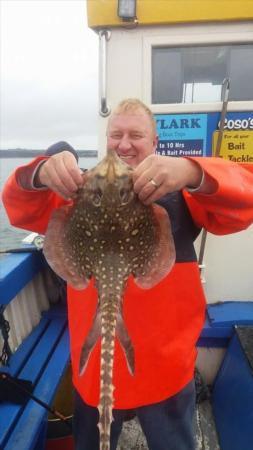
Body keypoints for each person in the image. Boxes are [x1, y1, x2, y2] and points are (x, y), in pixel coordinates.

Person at [2, 98, 253, 450]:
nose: (123, 143)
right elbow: (18, 206)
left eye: (136, 135)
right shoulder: (80, 191)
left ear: (155, 144)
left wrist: (193, 172)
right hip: (94, 364)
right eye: (115, 134)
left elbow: (245, 199)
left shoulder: (181, 191)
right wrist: (38, 173)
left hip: (165, 366)